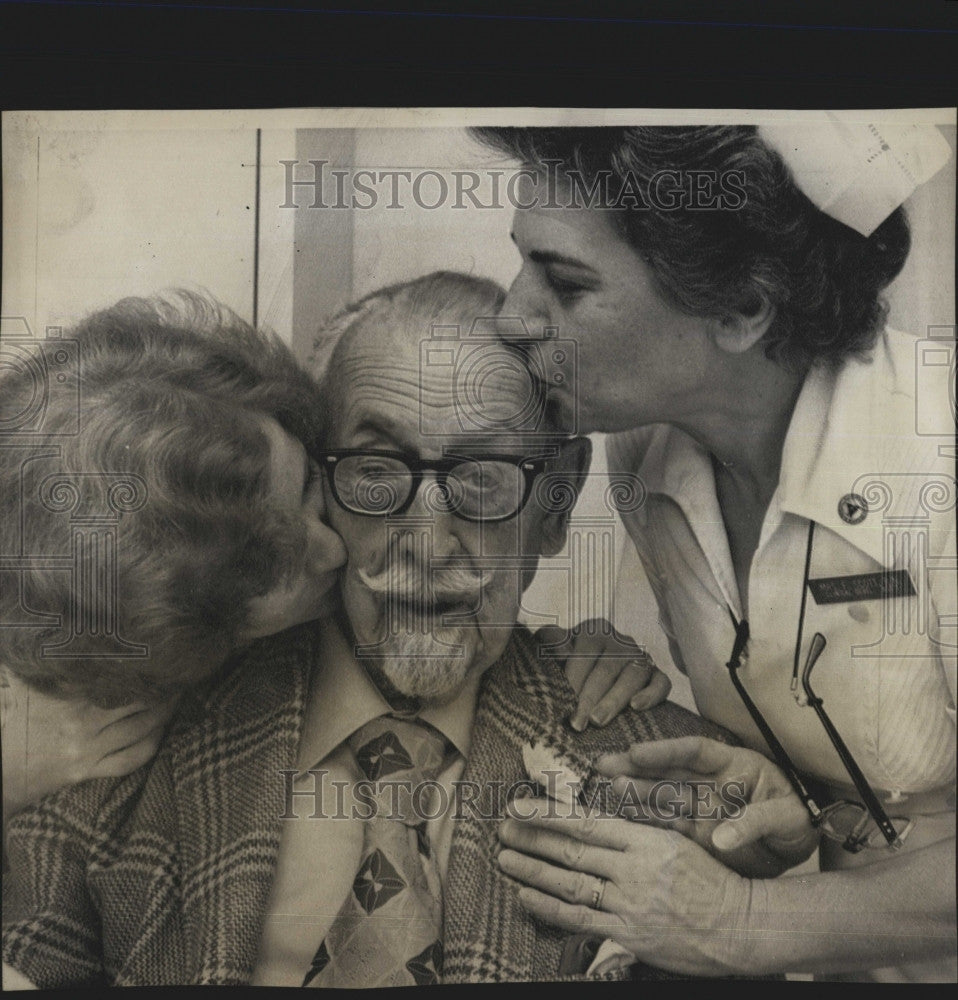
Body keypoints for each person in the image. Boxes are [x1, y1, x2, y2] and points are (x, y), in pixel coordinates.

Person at [2, 272, 725, 987]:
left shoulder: (664, 777)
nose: (427, 546)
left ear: (556, 503)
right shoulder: (111, 739)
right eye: (378, 471)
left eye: (483, 477)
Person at [470, 124, 957, 981]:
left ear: (741, 310)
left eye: (567, 284)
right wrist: (783, 804)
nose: (511, 316)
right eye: (521, 262)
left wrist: (742, 921)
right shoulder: (644, 456)